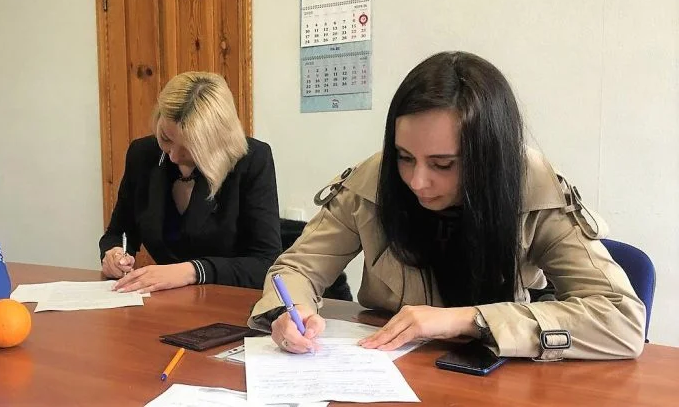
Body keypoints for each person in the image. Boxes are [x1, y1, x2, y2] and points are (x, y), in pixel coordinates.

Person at [249, 51, 646, 361]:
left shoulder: (534, 188)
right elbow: (297, 268)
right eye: (405, 157)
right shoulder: (370, 183)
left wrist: (467, 319)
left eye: (443, 164)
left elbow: (621, 319)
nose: (417, 181)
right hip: (389, 364)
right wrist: (290, 311)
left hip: (501, 373)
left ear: (489, 156)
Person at [99, 71, 281, 292]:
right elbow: (119, 232)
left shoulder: (251, 160)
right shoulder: (143, 154)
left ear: (216, 141)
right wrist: (114, 254)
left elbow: (266, 263)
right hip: (165, 300)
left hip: (229, 300)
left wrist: (193, 271)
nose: (174, 156)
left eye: (190, 148)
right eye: (166, 138)